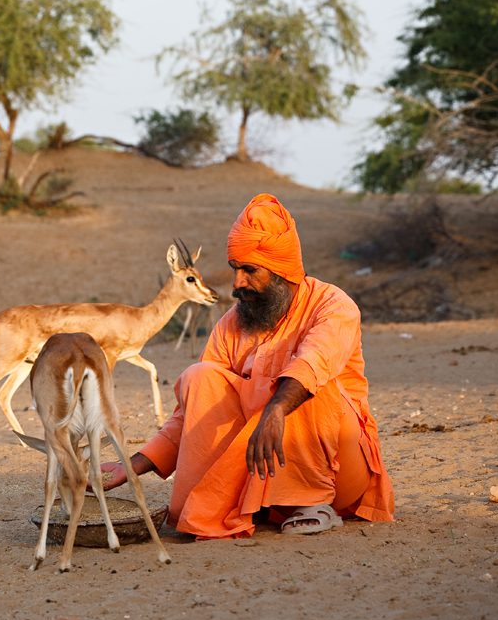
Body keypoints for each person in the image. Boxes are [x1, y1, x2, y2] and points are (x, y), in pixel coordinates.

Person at [101, 193, 394, 538]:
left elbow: (315, 360)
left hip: (339, 473)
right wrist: (131, 466)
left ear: (281, 271)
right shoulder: (231, 323)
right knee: (201, 377)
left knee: (307, 383)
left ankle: (311, 502)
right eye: (235, 270)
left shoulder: (333, 305)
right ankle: (241, 503)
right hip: (262, 469)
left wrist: (276, 409)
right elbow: (193, 412)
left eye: (249, 270)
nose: (237, 283)